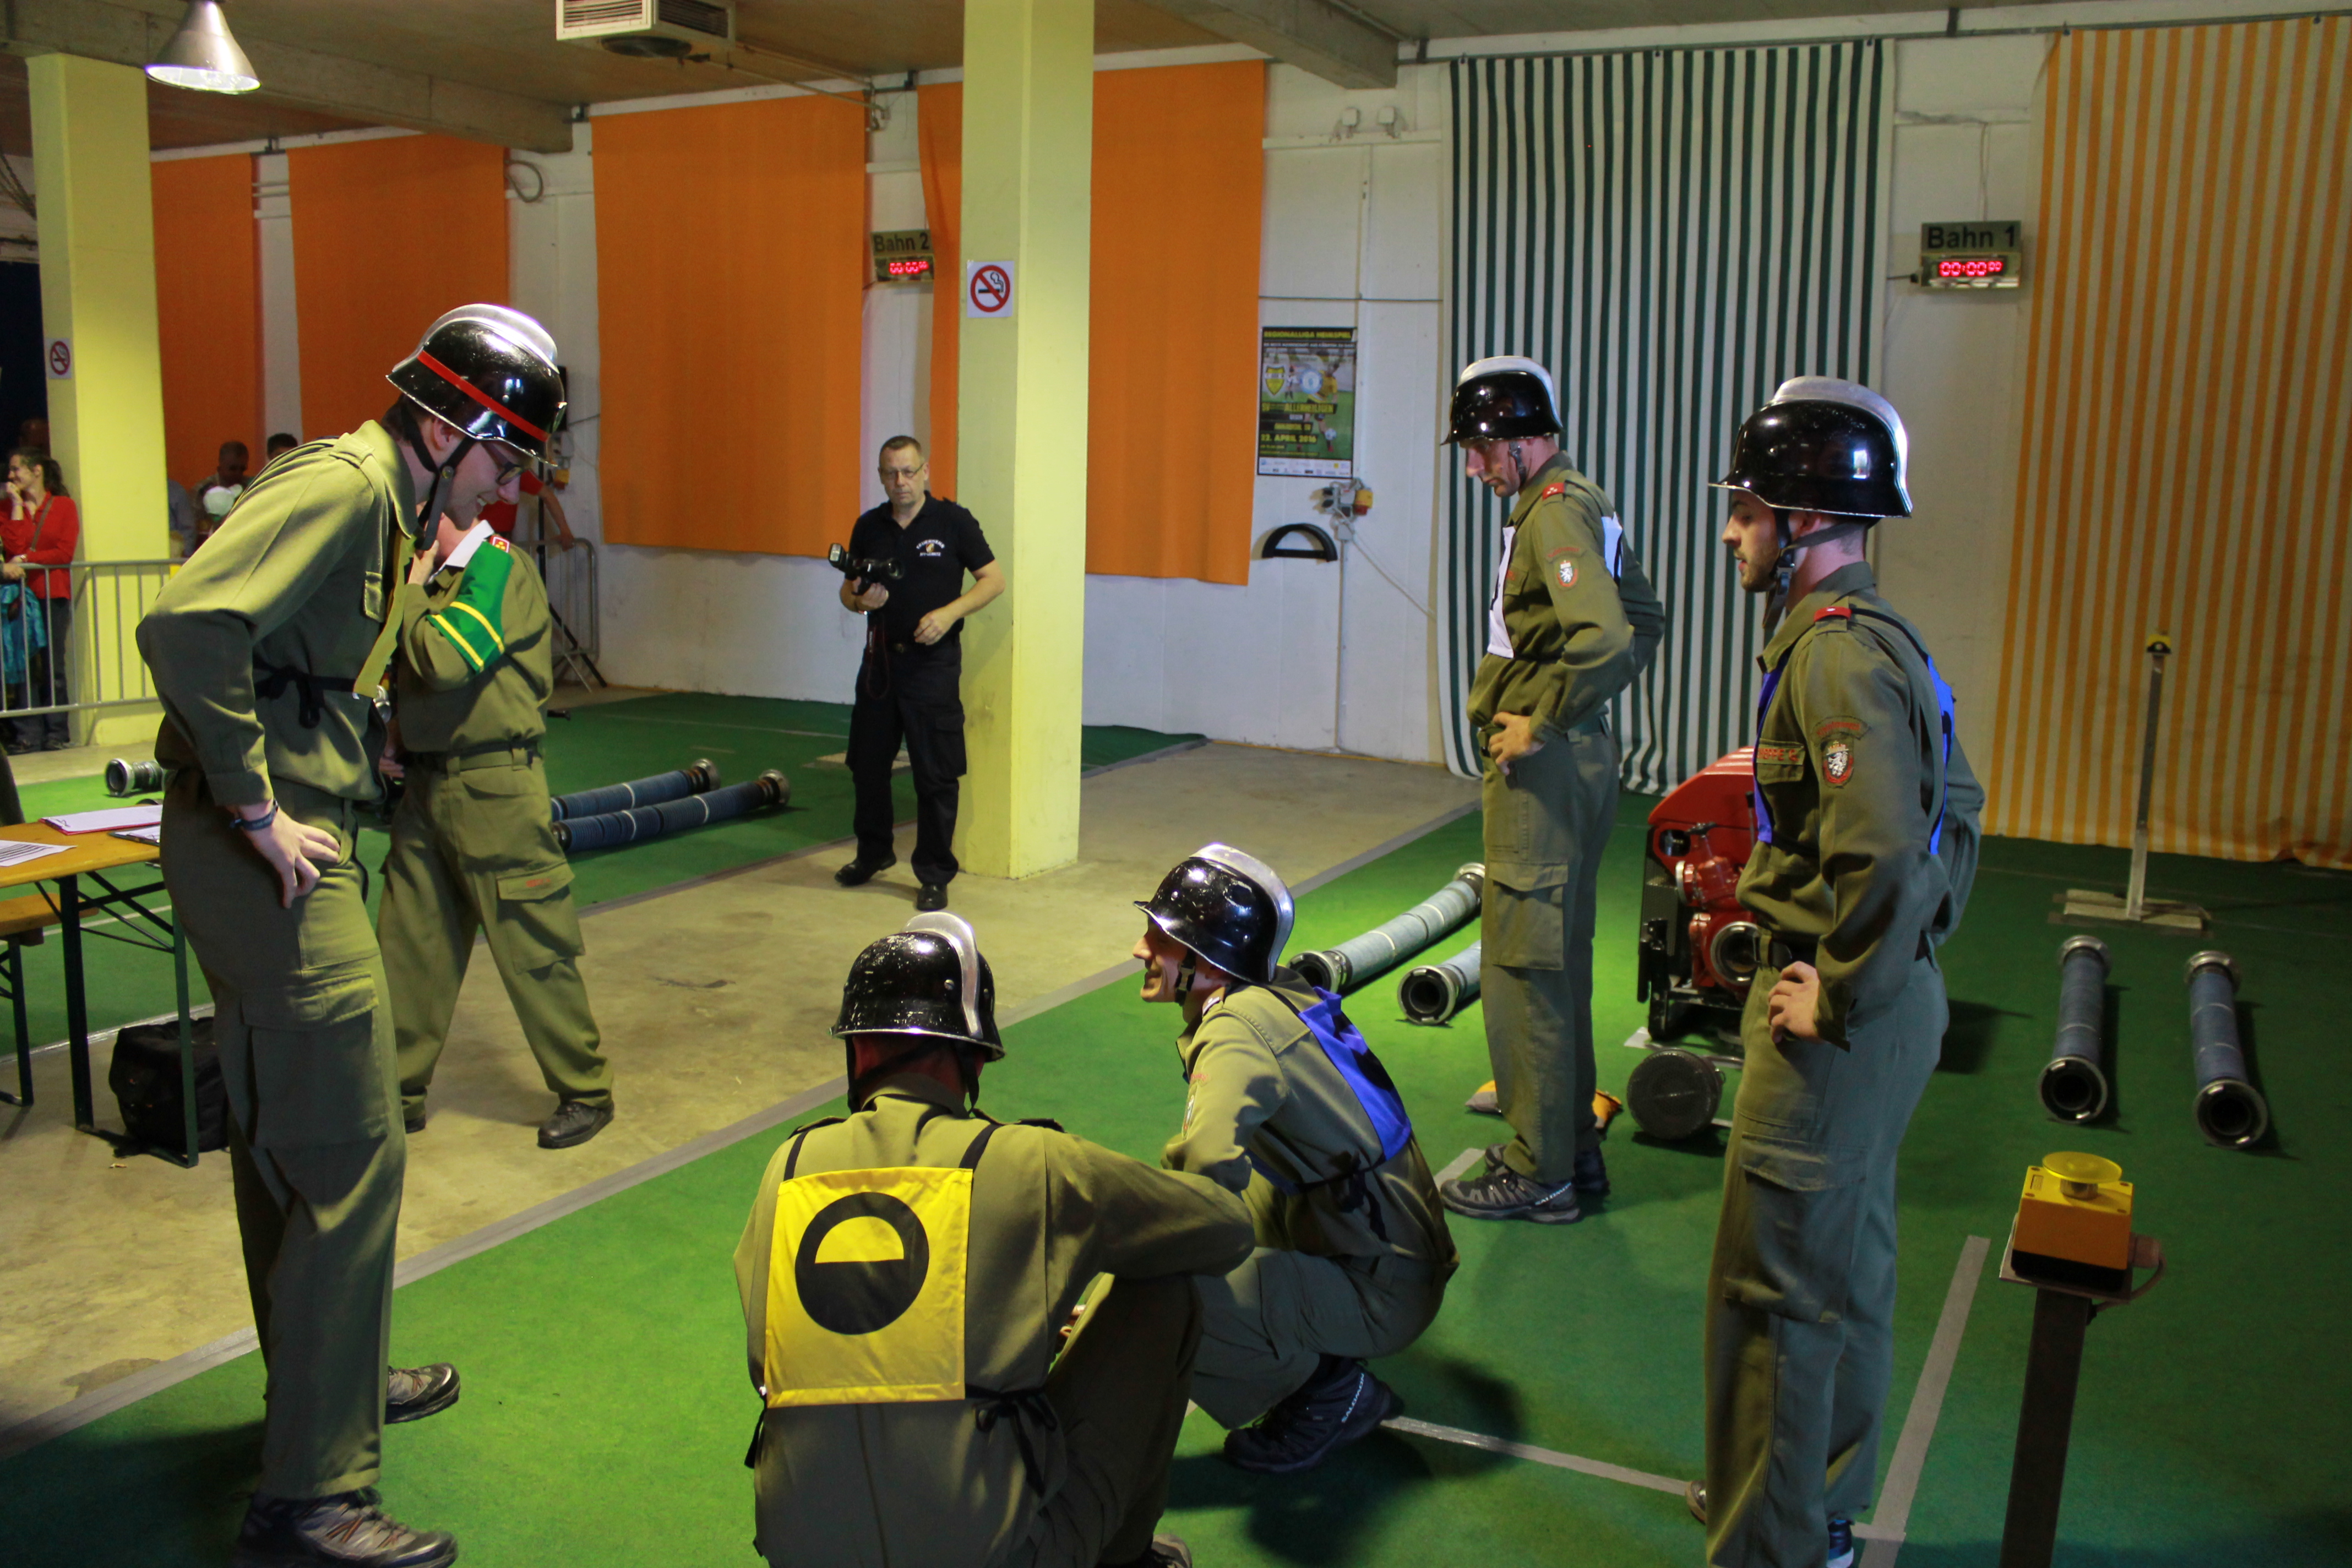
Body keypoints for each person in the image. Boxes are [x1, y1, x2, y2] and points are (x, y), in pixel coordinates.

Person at [136, 301, 565, 1568]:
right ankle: (312, 1495)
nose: (504, 486)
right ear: (444, 430)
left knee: (294, 1135)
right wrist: (255, 804)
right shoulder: (345, 484)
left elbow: (296, 656)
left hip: (279, 844)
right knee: (348, 1150)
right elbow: (187, 625)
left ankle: (324, 1386)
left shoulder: (387, 507)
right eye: (501, 456)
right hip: (268, 857)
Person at [1690, 377, 1983, 1568]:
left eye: (1747, 510)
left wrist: (1844, 985)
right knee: (1844, 1276)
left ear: (1803, 519)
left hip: (1836, 1014)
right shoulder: (1880, 637)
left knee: (1777, 1303)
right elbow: (1956, 814)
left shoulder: (1833, 659)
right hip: (1888, 1001)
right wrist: (1895, 971)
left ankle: (1771, 1544)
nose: (1733, 532)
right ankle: (1813, 1508)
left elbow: (1886, 853)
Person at [736, 912, 1253, 1568]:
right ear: (975, 1056)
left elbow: (772, 1355)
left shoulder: (785, 1167)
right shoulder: (1029, 1158)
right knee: (1164, 1291)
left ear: (858, 1049)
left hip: (805, 1556)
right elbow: (1224, 1230)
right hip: (992, 1555)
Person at [1132, 845, 1457, 1474]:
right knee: (1183, 1215)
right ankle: (1315, 1329)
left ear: (1208, 960)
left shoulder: (1234, 1030)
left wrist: (1136, 1271)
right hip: (1388, 1241)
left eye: (1162, 938)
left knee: (1165, 1286)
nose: (1141, 950)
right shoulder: (1272, 992)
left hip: (1383, 1286)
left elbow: (1204, 1169)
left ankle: (1330, 1394)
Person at [1436, 356, 1665, 1224]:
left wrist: (1544, 720)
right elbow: (1646, 620)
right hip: (1573, 762)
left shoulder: (1555, 511)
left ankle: (1541, 1172)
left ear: (1526, 442)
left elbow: (1604, 638)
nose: (1475, 467)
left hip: (1543, 771)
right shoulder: (1574, 501)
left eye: (1482, 447)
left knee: (1524, 969)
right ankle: (1570, 1149)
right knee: (1556, 961)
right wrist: (1576, 718)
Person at [375, 483, 616, 1150]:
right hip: (427, 784)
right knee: (409, 947)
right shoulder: (441, 581)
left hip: (495, 790)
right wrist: (397, 730)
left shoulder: (497, 568)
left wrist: (409, 593)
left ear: (430, 515)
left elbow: (446, 659)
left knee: (533, 947)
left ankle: (585, 1088)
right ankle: (397, 1091)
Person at [835, 435, 1004, 913]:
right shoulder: (870, 526)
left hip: (932, 666)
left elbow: (993, 580)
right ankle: (873, 852)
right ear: (881, 477)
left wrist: (950, 614)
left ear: (925, 471)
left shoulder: (953, 522)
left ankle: (933, 873)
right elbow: (848, 592)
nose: (901, 482)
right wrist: (859, 601)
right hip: (880, 664)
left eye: (908, 472)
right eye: (891, 473)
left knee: (935, 773)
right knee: (867, 765)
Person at [3, 448, 80, 752]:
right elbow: (14, 547)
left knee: (52, 663)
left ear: (36, 471)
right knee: (23, 663)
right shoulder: (8, 507)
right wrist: (16, 506)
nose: (11, 476)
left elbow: (64, 553)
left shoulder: (63, 506)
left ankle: (56, 731)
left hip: (52, 593)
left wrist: (28, 559)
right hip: (21, 596)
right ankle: (28, 733)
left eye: (16, 469)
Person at [477, 467, 578, 549]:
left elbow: (547, 495)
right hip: (477, 532)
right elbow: (547, 495)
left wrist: (565, 530)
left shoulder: (517, 469)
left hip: (499, 536)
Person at [190, 439, 252, 552]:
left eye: (242, 469)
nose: (238, 473)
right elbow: (195, 529)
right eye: (233, 469)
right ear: (220, 467)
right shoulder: (202, 490)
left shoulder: (250, 487)